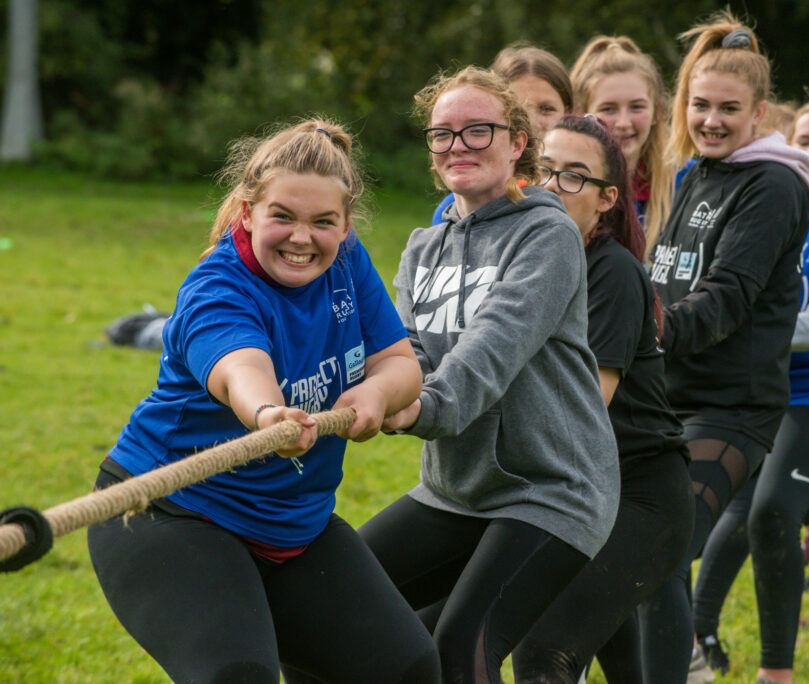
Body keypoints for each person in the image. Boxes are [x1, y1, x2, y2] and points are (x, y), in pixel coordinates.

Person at [87, 119, 441, 683]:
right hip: (170, 514)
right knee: (239, 677)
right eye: (283, 216)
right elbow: (239, 368)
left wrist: (376, 391)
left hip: (292, 527)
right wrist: (268, 414)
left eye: (323, 222)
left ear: (346, 226)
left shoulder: (348, 264)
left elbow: (400, 363)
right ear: (247, 213)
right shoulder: (217, 287)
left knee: (407, 668)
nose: (303, 238)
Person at [358, 67, 620, 684]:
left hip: (551, 491)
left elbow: (495, 344)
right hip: (454, 490)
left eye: (479, 130)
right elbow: (406, 353)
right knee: (327, 608)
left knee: (463, 640)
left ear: (517, 143)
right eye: (443, 134)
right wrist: (386, 391)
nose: (459, 146)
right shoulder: (424, 246)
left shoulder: (547, 231)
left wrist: (425, 406)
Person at [627, 12, 809, 681]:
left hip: (732, 409)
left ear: (761, 112)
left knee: (660, 554)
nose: (711, 119)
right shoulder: (695, 173)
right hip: (663, 395)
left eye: (729, 109)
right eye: (700, 105)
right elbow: (663, 278)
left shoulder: (775, 184)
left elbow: (729, 296)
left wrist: (643, 330)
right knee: (630, 556)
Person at [688, 91, 809, 684]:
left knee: (773, 510)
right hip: (761, 390)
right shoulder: (771, 202)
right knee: (730, 508)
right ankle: (698, 636)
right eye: (805, 140)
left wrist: (740, 329)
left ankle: (777, 672)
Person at [509, 115, 694, 683]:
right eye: (541, 170)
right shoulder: (529, 261)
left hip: (638, 498)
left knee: (545, 649)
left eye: (572, 176)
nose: (550, 186)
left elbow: (587, 406)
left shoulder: (611, 271)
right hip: (573, 491)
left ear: (607, 199)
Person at [431, 43, 573, 225]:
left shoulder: (577, 196)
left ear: (569, 114)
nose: (532, 122)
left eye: (546, 109)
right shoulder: (452, 209)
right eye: (519, 110)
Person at [569, 35, 674, 251]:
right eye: (608, 109)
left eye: (637, 107)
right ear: (582, 113)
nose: (624, 123)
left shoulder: (682, 181)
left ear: (657, 111)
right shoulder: (564, 185)